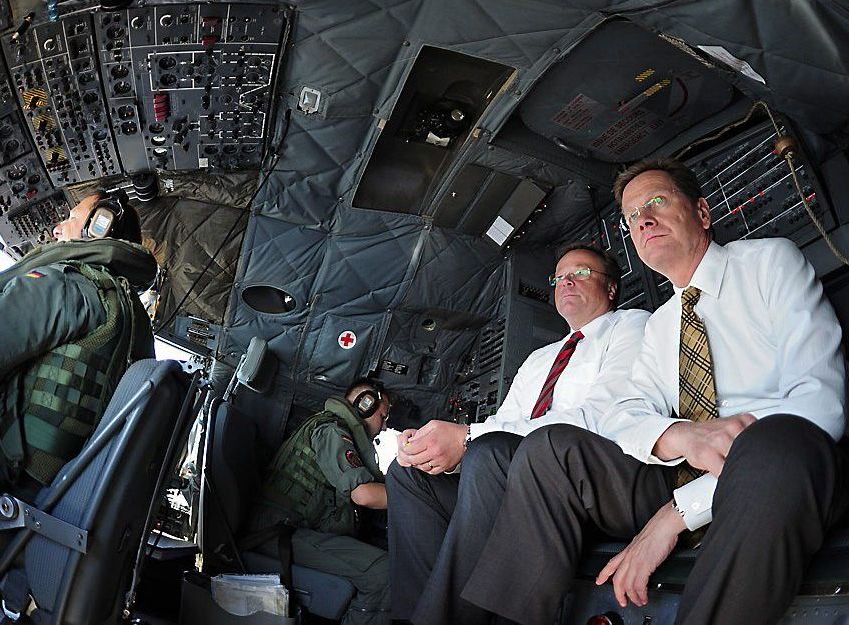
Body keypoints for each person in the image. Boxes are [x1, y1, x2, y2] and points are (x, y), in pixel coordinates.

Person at [462, 158, 849, 625]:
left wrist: (677, 514)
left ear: (701, 213)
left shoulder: (769, 262)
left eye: (656, 202)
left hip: (800, 468)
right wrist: (682, 437)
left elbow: (820, 409)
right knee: (546, 449)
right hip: (685, 470)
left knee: (774, 444)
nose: (644, 220)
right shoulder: (659, 326)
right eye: (632, 217)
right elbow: (622, 415)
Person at [387, 244, 650, 625]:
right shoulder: (539, 359)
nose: (567, 282)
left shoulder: (632, 326)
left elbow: (598, 418)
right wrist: (437, 448)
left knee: (489, 451)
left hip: (590, 480)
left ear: (611, 288)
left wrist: (467, 437)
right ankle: (416, 614)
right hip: (512, 479)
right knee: (408, 474)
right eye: (559, 277)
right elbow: (503, 423)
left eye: (581, 273)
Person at [0, 190, 157, 568]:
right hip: (59, 522)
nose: (56, 227)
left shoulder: (67, 285)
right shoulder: (136, 328)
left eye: (71, 217)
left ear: (100, 225)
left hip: (2, 501)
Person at [243, 378, 394, 625]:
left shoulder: (334, 429)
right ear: (366, 404)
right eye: (383, 416)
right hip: (275, 532)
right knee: (383, 574)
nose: (385, 426)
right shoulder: (331, 430)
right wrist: (412, 498)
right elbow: (363, 494)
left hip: (289, 528)